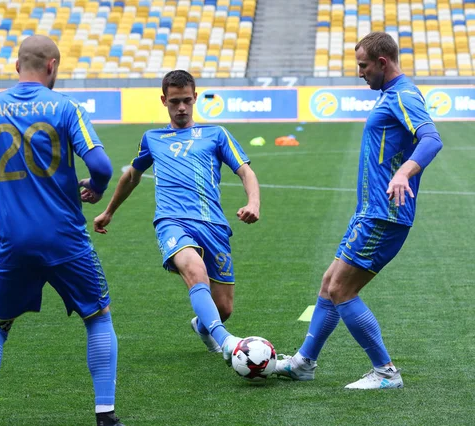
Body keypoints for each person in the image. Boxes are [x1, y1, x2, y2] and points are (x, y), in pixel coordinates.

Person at [0, 35, 123, 426]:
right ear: (52, 66)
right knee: (98, 317)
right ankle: (106, 417)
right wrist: (96, 189)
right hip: (65, 239)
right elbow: (101, 167)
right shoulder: (66, 108)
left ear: (18, 66)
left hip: (12, 243)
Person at [273, 32, 443, 389]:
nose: (360, 72)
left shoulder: (403, 95)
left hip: (385, 214)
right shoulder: (391, 94)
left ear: (383, 62)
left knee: (342, 290)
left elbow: (431, 138)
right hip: (370, 212)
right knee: (329, 283)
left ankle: (385, 372)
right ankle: (304, 361)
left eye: (363, 66)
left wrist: (402, 172)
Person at [93, 70, 261, 365]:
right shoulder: (152, 138)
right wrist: (109, 211)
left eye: (186, 100)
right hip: (172, 221)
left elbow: (245, 171)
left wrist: (253, 202)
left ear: (195, 98)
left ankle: (204, 324)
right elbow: (132, 175)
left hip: (214, 225)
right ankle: (228, 343)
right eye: (174, 102)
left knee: (223, 307)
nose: (181, 107)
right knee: (194, 271)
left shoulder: (216, 134)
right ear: (164, 101)